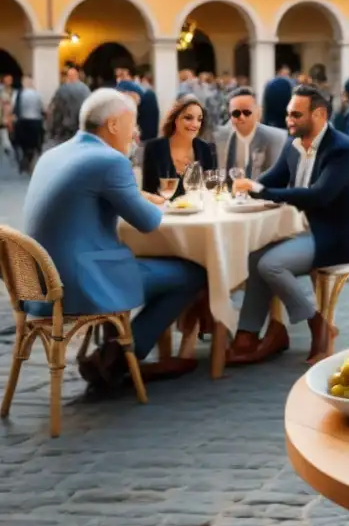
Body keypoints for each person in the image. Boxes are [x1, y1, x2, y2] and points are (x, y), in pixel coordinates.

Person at [22, 89, 206, 386]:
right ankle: (123, 356)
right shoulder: (109, 161)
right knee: (193, 273)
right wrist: (157, 201)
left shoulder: (52, 154)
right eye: (132, 124)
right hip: (79, 284)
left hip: (37, 286)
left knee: (147, 263)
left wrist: (133, 195)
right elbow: (148, 222)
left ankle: (115, 351)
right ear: (113, 125)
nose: (135, 133)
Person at [229, 85, 349, 364]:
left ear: (319, 114)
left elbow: (319, 196)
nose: (289, 120)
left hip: (343, 234)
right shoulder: (294, 144)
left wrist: (260, 191)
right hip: (309, 229)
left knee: (271, 264)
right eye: (288, 114)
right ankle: (247, 334)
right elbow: (270, 180)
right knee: (254, 257)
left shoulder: (342, 149)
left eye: (296, 114)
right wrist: (242, 187)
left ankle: (319, 325)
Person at [141, 95, 216, 201]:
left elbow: (211, 190)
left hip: (198, 214)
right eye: (188, 118)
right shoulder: (154, 148)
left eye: (199, 119)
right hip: (165, 213)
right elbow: (148, 191)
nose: (195, 124)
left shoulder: (206, 149)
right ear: (175, 119)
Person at [214, 86, 287, 182]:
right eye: (236, 113)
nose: (242, 117)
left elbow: (278, 180)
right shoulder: (223, 138)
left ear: (258, 112)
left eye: (247, 112)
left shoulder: (276, 138)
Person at [10, 76, 44, 174]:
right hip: (36, 121)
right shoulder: (37, 94)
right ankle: (29, 161)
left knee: (23, 144)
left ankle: (25, 160)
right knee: (34, 144)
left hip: (22, 121)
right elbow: (41, 107)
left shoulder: (17, 94)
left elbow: (13, 108)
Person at [262, 65, 294, 129]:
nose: (287, 76)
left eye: (288, 74)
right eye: (285, 73)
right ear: (279, 72)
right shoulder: (288, 85)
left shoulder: (269, 84)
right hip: (280, 120)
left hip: (272, 121)